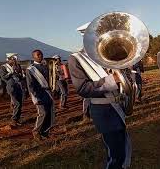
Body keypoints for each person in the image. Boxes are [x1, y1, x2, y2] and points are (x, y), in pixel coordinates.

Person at [68, 22, 132, 168]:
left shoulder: (107, 54)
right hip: (103, 110)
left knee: (122, 144)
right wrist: (112, 80)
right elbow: (83, 88)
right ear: (85, 37)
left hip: (118, 105)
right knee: (114, 153)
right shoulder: (76, 59)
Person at [26, 49, 55, 140]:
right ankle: (36, 131)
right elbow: (30, 85)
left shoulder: (46, 66)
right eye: (38, 55)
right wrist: (35, 97)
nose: (40, 56)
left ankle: (45, 131)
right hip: (39, 94)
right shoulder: (30, 69)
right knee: (42, 113)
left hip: (48, 92)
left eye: (41, 54)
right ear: (33, 57)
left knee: (49, 113)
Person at [0, 53, 24, 126]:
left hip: (18, 86)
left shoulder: (18, 66)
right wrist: (11, 72)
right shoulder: (3, 67)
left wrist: (19, 73)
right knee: (17, 103)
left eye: (15, 59)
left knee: (20, 103)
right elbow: (3, 77)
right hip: (11, 87)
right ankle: (14, 119)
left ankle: (17, 119)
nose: (15, 60)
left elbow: (21, 77)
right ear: (9, 59)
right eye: (13, 59)